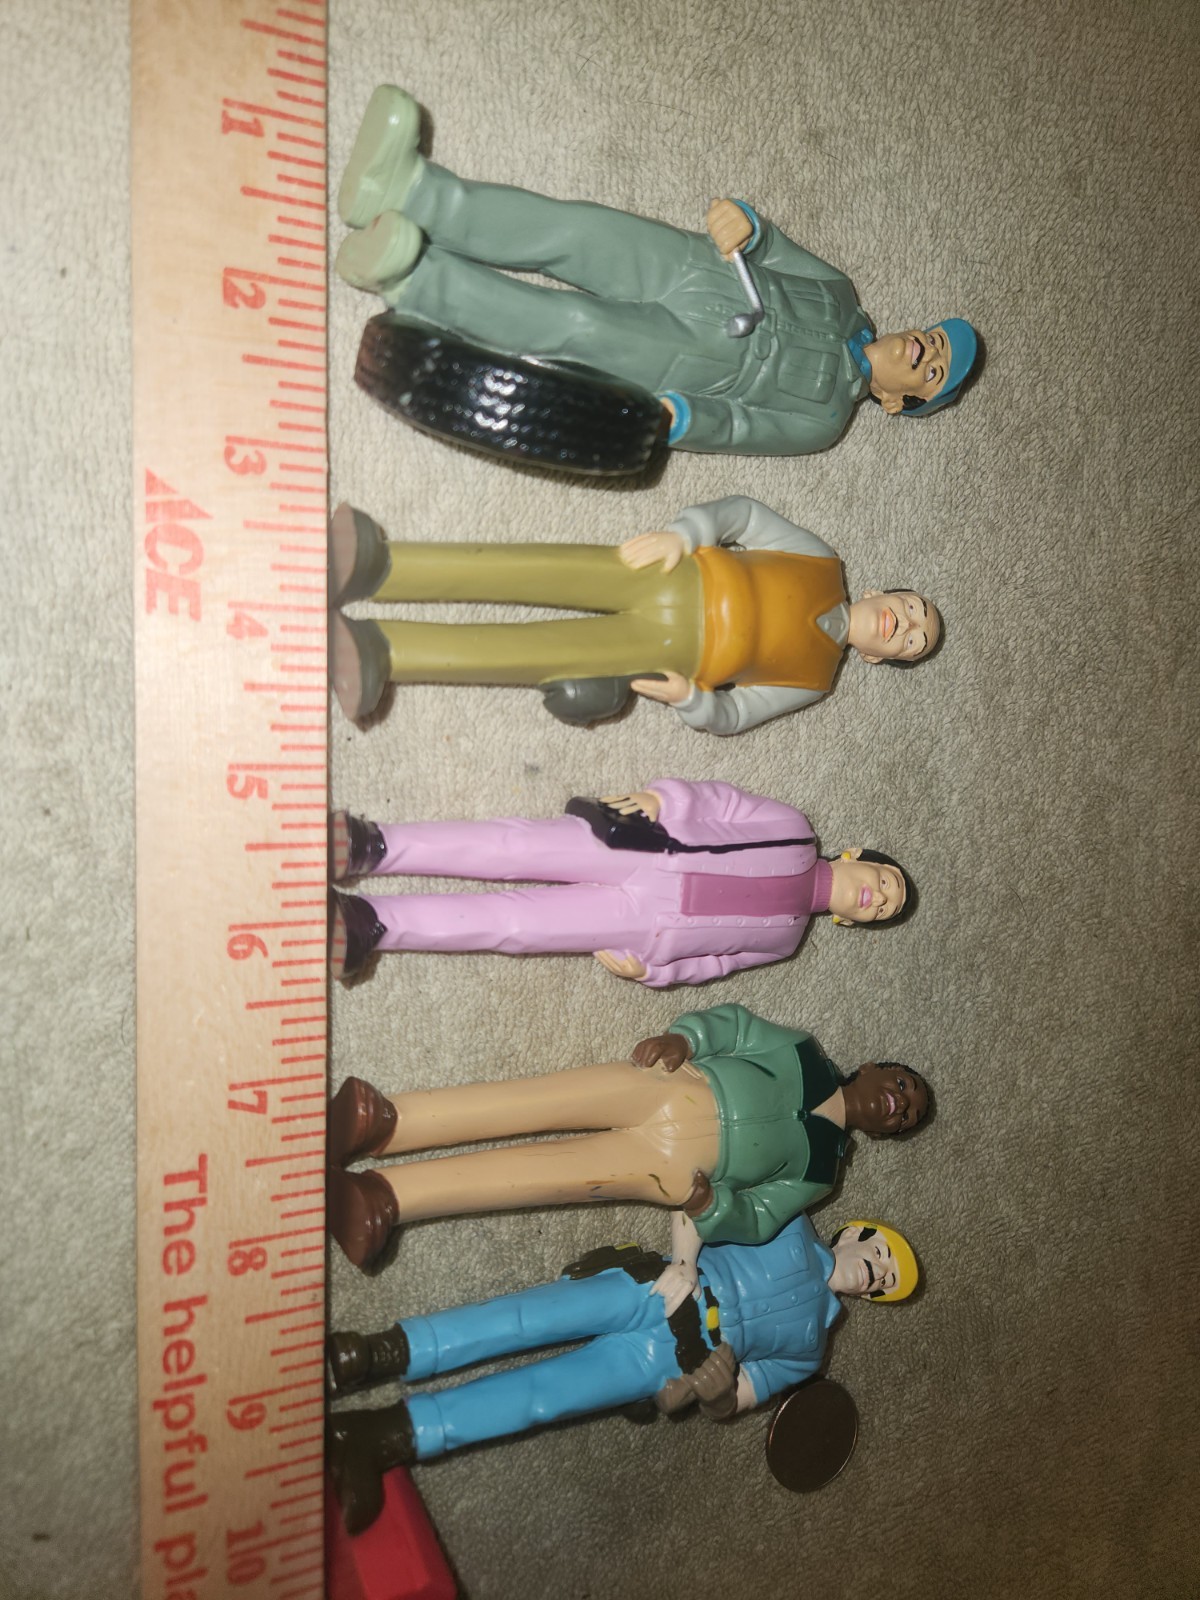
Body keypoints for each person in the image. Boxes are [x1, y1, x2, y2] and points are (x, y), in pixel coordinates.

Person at [334, 85, 978, 457]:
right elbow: (775, 251)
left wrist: (687, 419)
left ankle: (414, 277)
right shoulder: (840, 294)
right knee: (578, 230)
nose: (924, 349)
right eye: (934, 340)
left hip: (697, 357)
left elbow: (744, 429)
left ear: (897, 402)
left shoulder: (824, 423)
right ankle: (409, 191)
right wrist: (749, 226)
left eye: (932, 370)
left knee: (576, 326)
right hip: (700, 270)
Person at [325, 1213, 919, 1532]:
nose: (878, 1272)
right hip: (657, 1290)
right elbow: (704, 1199)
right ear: (856, 1232)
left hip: (669, 1362)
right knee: (524, 1317)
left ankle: (387, 1436)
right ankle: (377, 1353)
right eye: (881, 1254)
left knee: (543, 1398)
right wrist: (684, 1260)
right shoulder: (791, 1223)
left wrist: (713, 1395)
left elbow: (738, 1398)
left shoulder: (811, 1352)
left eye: (886, 1281)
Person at [325, 1002, 930, 1271]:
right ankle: (390, 1120)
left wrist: (712, 1205)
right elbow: (738, 1029)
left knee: (541, 1177)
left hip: (674, 1169)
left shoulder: (820, 1173)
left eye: (905, 1115)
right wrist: (687, 1039)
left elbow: (760, 1218)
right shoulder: (803, 1052)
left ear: (890, 1134)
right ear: (874, 1067)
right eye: (903, 1084)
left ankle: (391, 1199)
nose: (898, 1102)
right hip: (671, 1085)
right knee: (538, 1098)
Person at [330, 494, 942, 728]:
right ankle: (385, 564)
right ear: (879, 592)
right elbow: (747, 516)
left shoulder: (814, 680)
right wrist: (687, 532)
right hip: (669, 572)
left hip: (671, 653)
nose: (905, 623)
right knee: (530, 566)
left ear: (877, 658)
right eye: (911, 607)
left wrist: (692, 700)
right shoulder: (821, 562)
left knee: (532, 654)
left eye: (911, 640)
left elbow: (736, 713)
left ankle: (386, 652)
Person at [328, 781, 913, 985]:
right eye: (886, 880)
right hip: (648, 849)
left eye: (883, 910)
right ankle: (376, 844)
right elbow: (721, 801)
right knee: (516, 846)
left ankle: (378, 924)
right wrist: (664, 800)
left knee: (518, 926)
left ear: (850, 921)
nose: (880, 897)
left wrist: (655, 970)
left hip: (645, 928)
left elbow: (717, 964)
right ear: (856, 855)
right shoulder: (793, 831)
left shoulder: (784, 941)